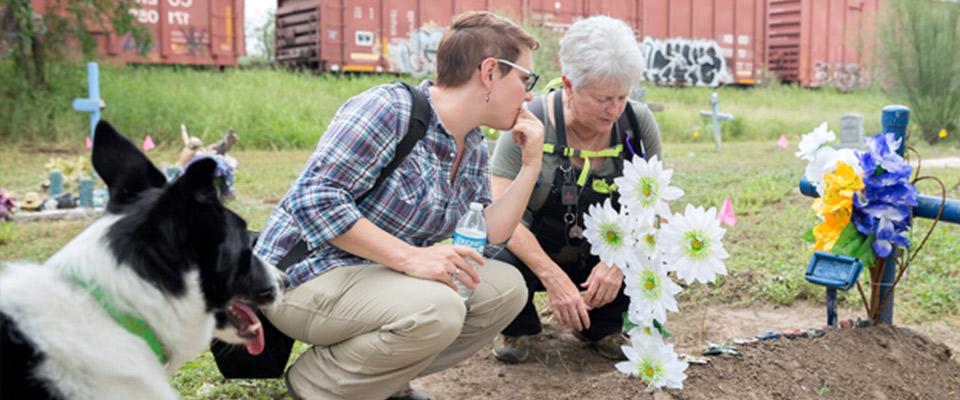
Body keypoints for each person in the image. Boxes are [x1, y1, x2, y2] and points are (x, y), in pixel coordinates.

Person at [253, 11, 544, 400]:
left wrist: (530, 166)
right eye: (526, 79)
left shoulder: (471, 143)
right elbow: (315, 199)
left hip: (376, 276)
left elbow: (485, 236)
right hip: (304, 277)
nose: (530, 95)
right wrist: (410, 258)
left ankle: (381, 382)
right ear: (490, 72)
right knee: (440, 308)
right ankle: (313, 387)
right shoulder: (389, 108)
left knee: (504, 289)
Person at [488, 15, 662, 363]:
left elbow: (652, 207)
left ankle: (602, 326)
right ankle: (517, 326)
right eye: (602, 99)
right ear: (568, 85)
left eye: (622, 97)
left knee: (655, 251)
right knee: (491, 250)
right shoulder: (527, 122)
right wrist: (552, 276)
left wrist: (617, 261)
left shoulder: (637, 124)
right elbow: (498, 212)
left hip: (601, 249)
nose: (614, 110)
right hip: (538, 249)